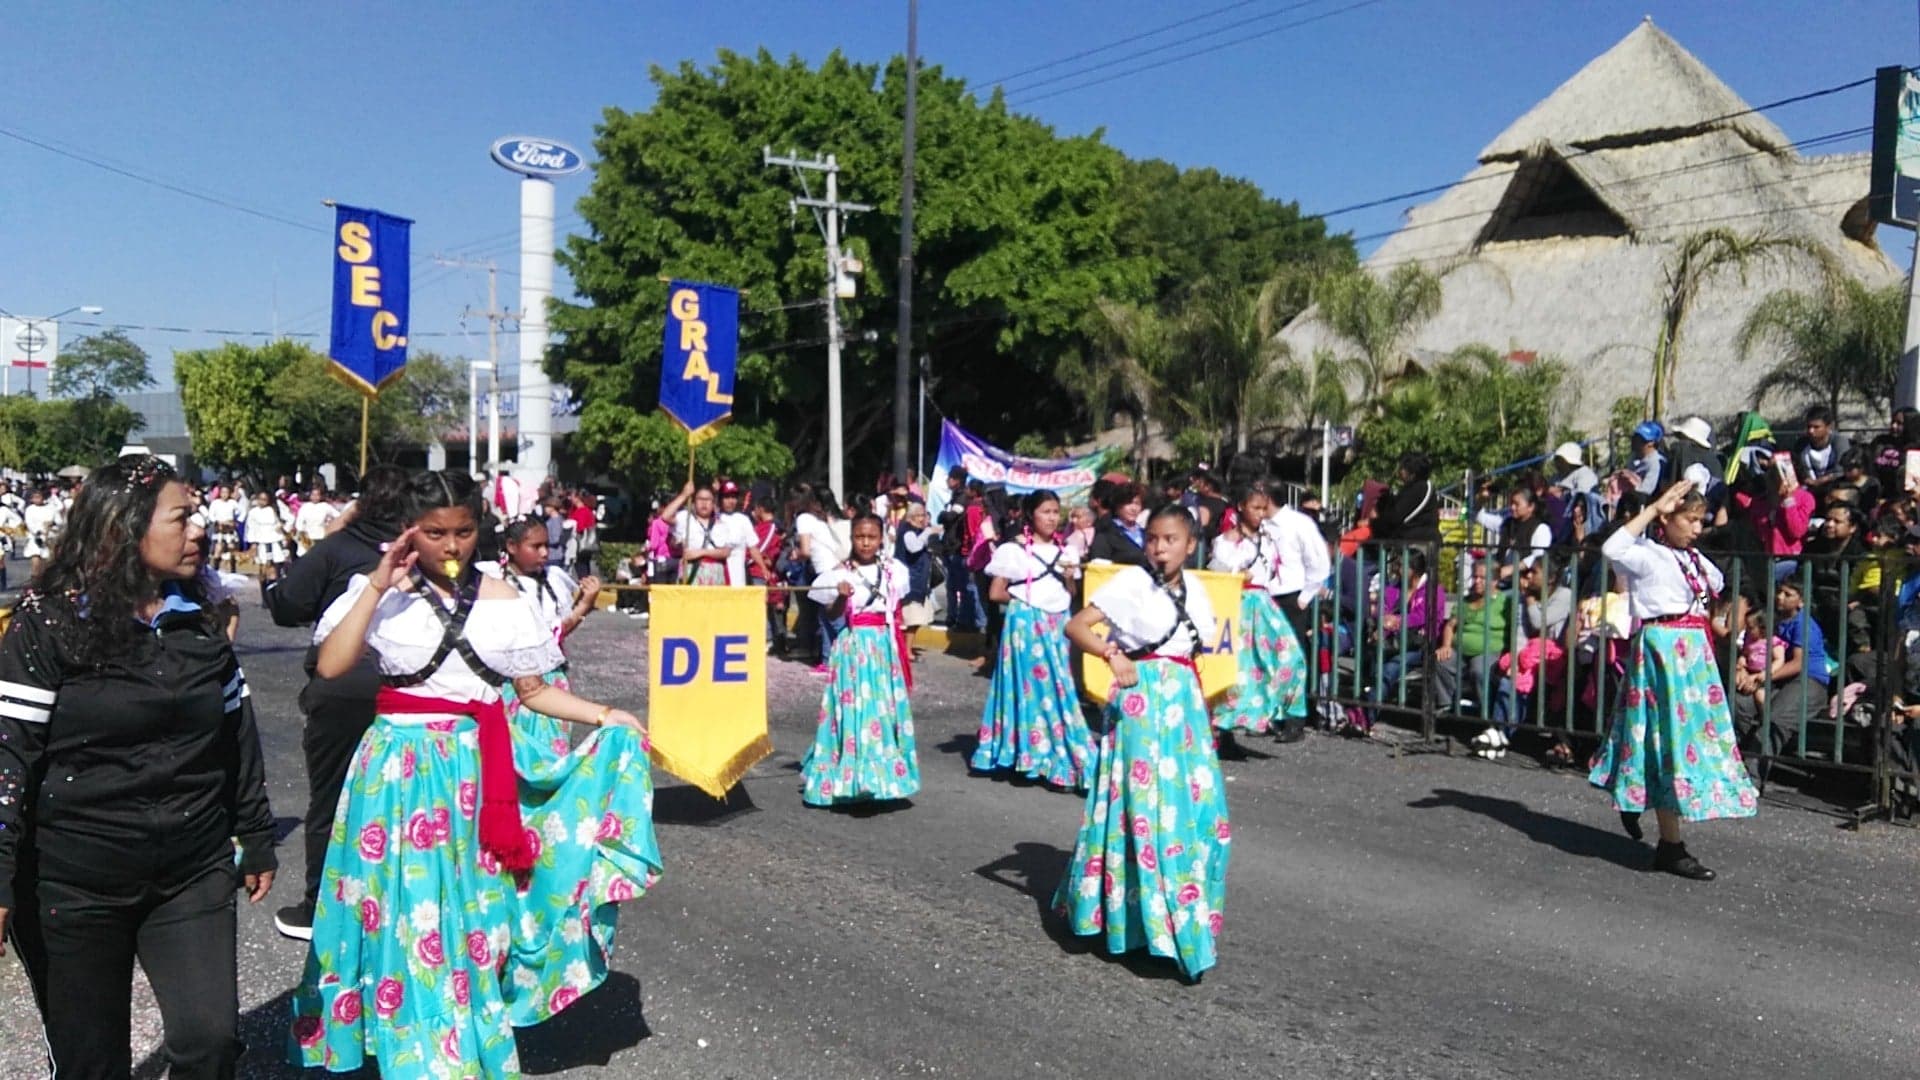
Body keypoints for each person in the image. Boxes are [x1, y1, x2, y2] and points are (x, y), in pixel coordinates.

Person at [289, 471, 659, 1079]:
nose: (451, 545)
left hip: (471, 772)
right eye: (435, 533)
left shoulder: (506, 602)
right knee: (396, 908)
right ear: (411, 530)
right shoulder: (378, 592)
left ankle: (452, 1042)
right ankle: (403, 1035)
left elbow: (533, 691)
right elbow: (332, 665)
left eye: (463, 531)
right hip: (395, 772)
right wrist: (380, 584)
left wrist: (603, 714)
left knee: (467, 914)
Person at [0, 454, 277, 1079]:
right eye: (181, 518)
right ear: (123, 527)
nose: (199, 530)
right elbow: (8, 750)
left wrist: (255, 833)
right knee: (93, 1063)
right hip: (71, 883)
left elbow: (236, 731)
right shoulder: (47, 623)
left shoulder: (203, 620)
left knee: (209, 1043)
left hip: (192, 871)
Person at [1055, 503, 1226, 982]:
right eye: (1152, 538)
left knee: (1202, 815)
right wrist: (1112, 653)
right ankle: (1146, 928)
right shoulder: (1132, 582)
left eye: (1169, 539)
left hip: (1184, 709)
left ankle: (1179, 918)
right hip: (1140, 703)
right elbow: (1076, 626)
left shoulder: (1198, 589)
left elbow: (1199, 652)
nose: (1159, 547)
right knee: (1146, 815)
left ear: (1190, 544)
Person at [265, 464, 410, 942]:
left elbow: (287, 604)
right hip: (408, 693)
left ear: (360, 503)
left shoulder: (338, 548)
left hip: (343, 687)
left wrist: (337, 531)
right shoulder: (421, 553)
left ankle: (320, 904)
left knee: (331, 798)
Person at [1588, 481, 1758, 881]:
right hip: (1663, 649)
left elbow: (1716, 594)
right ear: (1667, 518)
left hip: (1692, 653)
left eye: (1700, 520)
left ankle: (1651, 815)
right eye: (1689, 519)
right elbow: (1613, 549)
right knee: (1664, 739)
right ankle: (1670, 843)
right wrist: (1652, 509)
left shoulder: (1696, 560)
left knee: (1684, 741)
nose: (1697, 528)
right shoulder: (1648, 554)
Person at [972, 490, 1092, 789]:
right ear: (1031, 515)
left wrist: (1066, 579)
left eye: (1056, 512)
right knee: (1028, 689)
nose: (1052, 518)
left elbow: (1071, 595)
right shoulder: (1014, 551)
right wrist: (1024, 602)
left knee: (1058, 686)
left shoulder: (1067, 552)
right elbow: (996, 591)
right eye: (1046, 512)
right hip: (1026, 625)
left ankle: (1051, 749)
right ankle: (1026, 753)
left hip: (1058, 623)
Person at [800, 513, 919, 806]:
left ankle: (883, 778)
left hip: (883, 648)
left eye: (871, 537)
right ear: (852, 538)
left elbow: (895, 608)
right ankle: (852, 777)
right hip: (853, 648)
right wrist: (840, 598)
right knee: (855, 710)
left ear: (881, 539)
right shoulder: (839, 573)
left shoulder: (894, 570)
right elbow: (831, 615)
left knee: (882, 712)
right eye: (859, 537)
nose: (865, 543)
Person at [497, 514, 603, 766]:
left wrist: (583, 605)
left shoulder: (553, 580)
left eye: (547, 545)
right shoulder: (497, 585)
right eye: (535, 547)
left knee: (552, 752)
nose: (544, 553)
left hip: (552, 677)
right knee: (515, 753)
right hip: (513, 681)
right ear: (512, 547)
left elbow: (558, 632)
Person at [1209, 483, 1307, 742]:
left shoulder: (1269, 538)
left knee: (1290, 656)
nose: (1261, 513)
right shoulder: (1226, 541)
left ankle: (1283, 714)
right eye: (1256, 507)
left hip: (1264, 604)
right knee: (1237, 670)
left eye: (1264, 508)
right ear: (1241, 507)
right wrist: (1235, 575)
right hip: (1238, 604)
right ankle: (1226, 730)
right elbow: (1215, 574)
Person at [894, 499, 939, 651]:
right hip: (911, 582)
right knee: (912, 618)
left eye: (924, 515)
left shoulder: (917, 531)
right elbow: (914, 548)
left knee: (917, 618)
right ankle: (905, 650)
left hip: (919, 581)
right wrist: (928, 532)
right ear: (911, 517)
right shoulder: (908, 532)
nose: (923, 519)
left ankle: (906, 648)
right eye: (920, 515)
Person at [1372, 452, 1440, 543]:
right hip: (1425, 538)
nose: (1399, 472)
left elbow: (1395, 516)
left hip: (1414, 540)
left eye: (1402, 468)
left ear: (1412, 472)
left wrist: (1373, 522)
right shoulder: (1424, 487)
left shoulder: (1417, 489)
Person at [675, 485, 736, 585]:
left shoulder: (721, 525)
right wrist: (684, 495)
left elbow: (726, 552)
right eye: (700, 499)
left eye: (708, 499)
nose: (704, 503)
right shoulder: (685, 519)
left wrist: (701, 553)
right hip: (691, 573)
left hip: (715, 575)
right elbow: (665, 516)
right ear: (694, 502)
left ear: (713, 504)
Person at [1087, 480, 1151, 568]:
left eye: (1137, 503)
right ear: (1117, 505)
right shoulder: (1106, 535)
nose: (1133, 508)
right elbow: (1099, 569)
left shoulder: (1146, 533)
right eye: (1128, 503)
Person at [1792, 405, 1851, 492]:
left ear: (1828, 427)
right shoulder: (1801, 444)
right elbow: (1796, 469)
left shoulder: (1840, 442)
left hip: (1834, 489)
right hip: (1808, 490)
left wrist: (1821, 481)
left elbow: (1842, 472)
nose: (1811, 431)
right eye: (1809, 427)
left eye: (1816, 427)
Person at [245, 490, 292, 598]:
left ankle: (277, 595)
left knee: (278, 569)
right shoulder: (254, 512)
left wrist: (283, 527)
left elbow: (290, 519)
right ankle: (265, 597)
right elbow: (251, 528)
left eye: (264, 499)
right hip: (262, 543)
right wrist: (253, 543)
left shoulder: (276, 508)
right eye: (260, 499)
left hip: (276, 541)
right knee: (264, 570)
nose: (262, 502)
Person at [21, 487, 61, 578]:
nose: (36, 499)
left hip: (49, 538)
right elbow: (30, 524)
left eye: (38, 497)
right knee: (35, 563)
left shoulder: (51, 508)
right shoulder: (30, 509)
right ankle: (33, 584)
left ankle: (43, 583)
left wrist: (52, 524)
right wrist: (39, 532)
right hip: (36, 539)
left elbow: (60, 522)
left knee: (46, 565)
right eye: (34, 497)